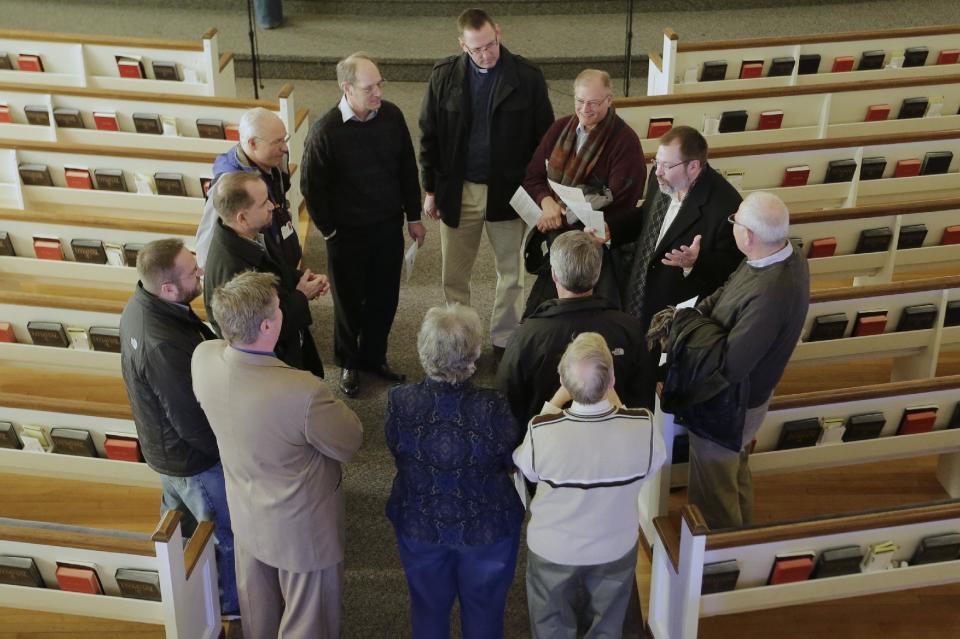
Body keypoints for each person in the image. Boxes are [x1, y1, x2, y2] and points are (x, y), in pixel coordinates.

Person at [192, 271, 363, 638]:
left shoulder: (203, 358)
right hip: (302, 530)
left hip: (247, 515)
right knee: (307, 623)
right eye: (279, 307)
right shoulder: (302, 391)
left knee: (260, 618)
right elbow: (350, 441)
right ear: (268, 326)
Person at [653, 192, 809, 530]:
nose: (732, 226)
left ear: (749, 236)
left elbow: (729, 364)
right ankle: (741, 533)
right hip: (737, 400)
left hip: (731, 403)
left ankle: (719, 558)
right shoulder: (772, 253)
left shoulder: (772, 293)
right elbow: (726, 290)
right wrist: (696, 313)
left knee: (714, 496)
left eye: (735, 222)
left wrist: (685, 324)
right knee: (732, 474)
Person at [419, 8, 554, 356]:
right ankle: (459, 341)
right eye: (476, 49)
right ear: (462, 45)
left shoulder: (527, 77)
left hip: (508, 192)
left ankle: (504, 339)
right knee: (454, 274)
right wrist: (430, 189)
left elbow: (545, 141)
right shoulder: (444, 76)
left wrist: (539, 194)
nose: (486, 54)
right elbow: (429, 135)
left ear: (499, 31)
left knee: (511, 273)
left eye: (490, 45)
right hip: (457, 187)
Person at [514, 332, 666, 638]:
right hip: (615, 544)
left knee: (551, 622)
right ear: (612, 381)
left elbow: (527, 470)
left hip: (553, 548)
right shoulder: (644, 426)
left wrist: (557, 399)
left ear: (563, 380)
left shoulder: (542, 430)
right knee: (609, 622)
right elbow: (651, 465)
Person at [385, 304, 524, 639]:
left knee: (428, 611)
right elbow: (510, 459)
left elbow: (396, 449)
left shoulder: (399, 401)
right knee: (485, 615)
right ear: (474, 354)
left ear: (423, 351)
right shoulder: (493, 406)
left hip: (420, 523)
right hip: (487, 528)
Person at [119, 238, 238, 618]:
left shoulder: (142, 304)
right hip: (192, 461)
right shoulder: (161, 344)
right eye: (192, 271)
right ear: (168, 288)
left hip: (166, 454)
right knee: (226, 537)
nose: (201, 272)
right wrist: (231, 455)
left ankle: (190, 598)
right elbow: (190, 421)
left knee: (183, 533)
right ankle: (233, 610)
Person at [301, 53, 424, 397]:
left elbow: (406, 170)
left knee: (385, 297)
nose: (378, 93)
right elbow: (312, 189)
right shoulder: (324, 132)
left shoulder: (392, 116)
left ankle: (374, 357)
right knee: (349, 303)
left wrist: (413, 217)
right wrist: (330, 231)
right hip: (347, 235)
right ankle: (349, 363)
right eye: (369, 87)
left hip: (387, 228)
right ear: (347, 88)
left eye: (380, 84)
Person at [609, 125, 743, 408]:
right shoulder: (661, 179)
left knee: (650, 387)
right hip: (636, 294)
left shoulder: (725, 207)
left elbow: (731, 271)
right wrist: (612, 230)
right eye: (656, 163)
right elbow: (646, 218)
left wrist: (695, 262)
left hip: (670, 318)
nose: (657, 172)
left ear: (693, 166)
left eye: (667, 166)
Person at [522, 69, 645, 314]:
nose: (585, 109)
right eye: (580, 101)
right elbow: (533, 176)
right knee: (545, 313)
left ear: (609, 100)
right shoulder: (559, 130)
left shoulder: (625, 142)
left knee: (589, 317)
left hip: (596, 247)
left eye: (594, 103)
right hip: (558, 240)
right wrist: (547, 203)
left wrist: (567, 214)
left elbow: (623, 201)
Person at [497, 230, 646, 425]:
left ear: (553, 274)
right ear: (598, 272)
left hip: (544, 444)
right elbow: (643, 398)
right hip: (617, 442)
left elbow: (506, 405)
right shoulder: (630, 329)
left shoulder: (526, 335)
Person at [203, 170, 328, 377]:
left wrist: (302, 279)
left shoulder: (251, 232)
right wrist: (301, 295)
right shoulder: (233, 272)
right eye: (263, 203)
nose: (272, 205)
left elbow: (274, 269)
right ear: (242, 218)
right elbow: (261, 330)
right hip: (275, 366)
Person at [195, 107, 299, 269]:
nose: (285, 148)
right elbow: (205, 253)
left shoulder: (276, 158)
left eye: (284, 139)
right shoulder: (229, 184)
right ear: (252, 143)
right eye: (277, 141)